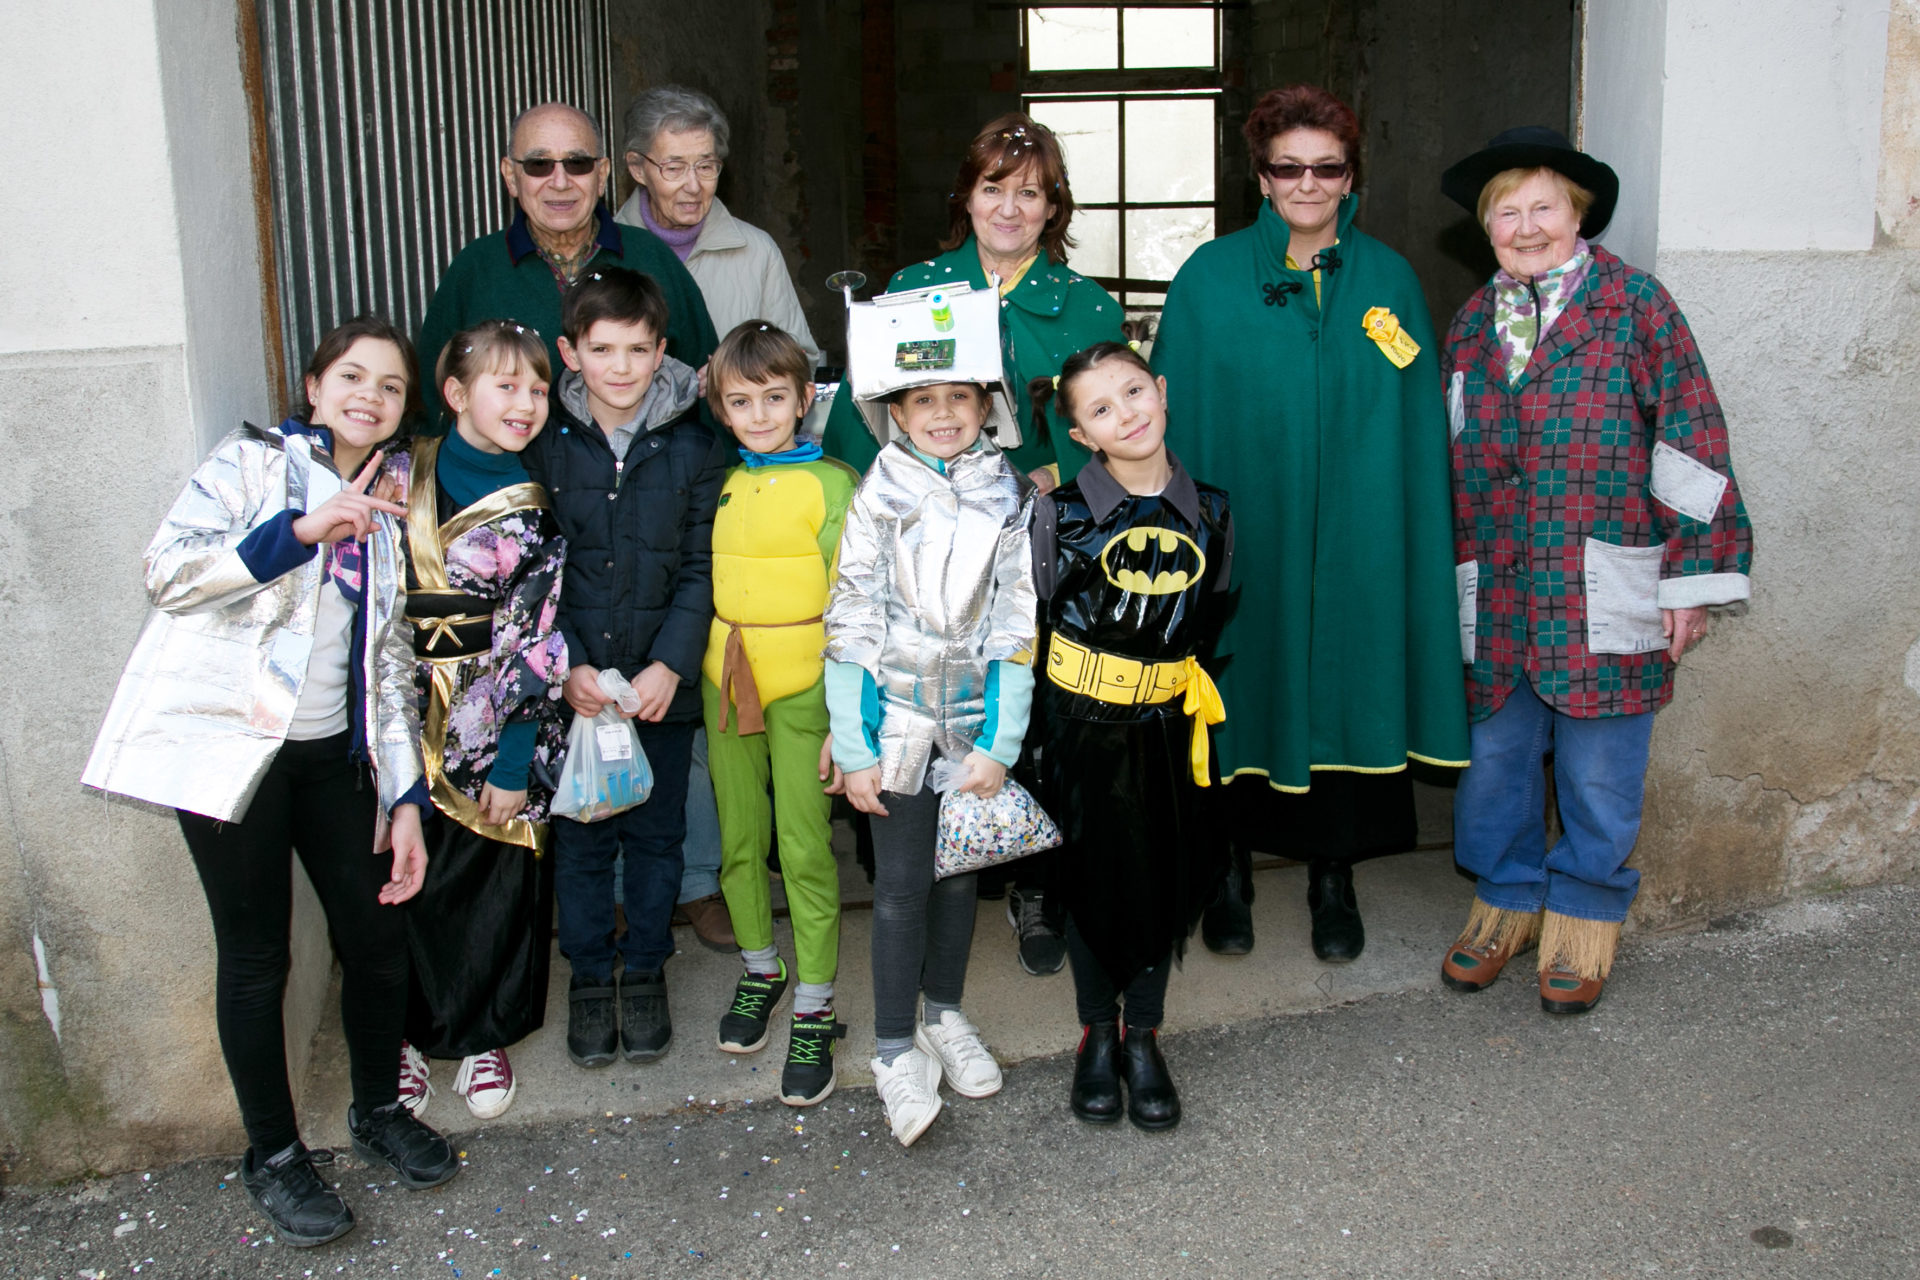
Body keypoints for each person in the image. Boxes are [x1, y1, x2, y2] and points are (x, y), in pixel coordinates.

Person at [83, 317, 458, 1247]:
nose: (370, 396)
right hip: (232, 758)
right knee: (257, 958)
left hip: (335, 758)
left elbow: (391, 663)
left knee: (377, 938)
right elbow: (168, 573)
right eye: (353, 377)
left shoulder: (392, 500)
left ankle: (378, 1110)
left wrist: (405, 798)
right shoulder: (250, 464)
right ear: (315, 385)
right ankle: (276, 1155)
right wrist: (295, 532)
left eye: (390, 386)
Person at [1436, 127, 1753, 1012]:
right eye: (1507, 212)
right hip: (1499, 582)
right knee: (1494, 762)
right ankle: (1504, 901)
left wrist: (1692, 579)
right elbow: (1447, 458)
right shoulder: (1471, 324)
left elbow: (1691, 439)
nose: (1526, 227)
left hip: (1602, 580)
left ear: (1578, 217)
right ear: (1487, 227)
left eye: (1544, 207)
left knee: (1599, 767)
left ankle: (1583, 915)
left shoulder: (1636, 305)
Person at [1151, 85, 1469, 963]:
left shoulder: (1389, 279)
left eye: (1326, 168)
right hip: (1247, 532)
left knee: (1344, 684)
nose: (1307, 183)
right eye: (1287, 167)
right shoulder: (1210, 278)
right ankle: (1227, 870)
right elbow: (1168, 413)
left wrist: (1403, 532)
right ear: (1261, 176)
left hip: (1358, 538)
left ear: (1350, 176)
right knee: (1237, 686)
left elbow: (1413, 420)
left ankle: (1335, 874)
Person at [822, 111, 1124, 976]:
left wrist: (1052, 476)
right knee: (921, 700)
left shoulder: (1087, 305)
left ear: (1053, 206)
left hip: (1042, 543)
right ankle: (914, 873)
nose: (1010, 207)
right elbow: (864, 423)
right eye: (995, 188)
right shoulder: (916, 288)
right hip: (922, 552)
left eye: (1031, 192)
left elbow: (1110, 432)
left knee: (1030, 705)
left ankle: (1033, 884)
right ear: (967, 196)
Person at [823, 379, 1038, 1147]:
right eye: (922, 401)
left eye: (958, 398)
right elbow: (850, 620)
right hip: (899, 726)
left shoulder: (1010, 495)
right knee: (901, 888)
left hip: (974, 726)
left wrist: (1000, 746)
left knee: (961, 876)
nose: (942, 414)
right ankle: (893, 1049)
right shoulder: (876, 493)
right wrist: (854, 746)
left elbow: (1017, 624)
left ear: (986, 407)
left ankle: (943, 1013)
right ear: (896, 414)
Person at [1026, 342, 1233, 1132]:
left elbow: (1211, 615)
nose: (1127, 414)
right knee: (1090, 878)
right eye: (1101, 409)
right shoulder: (1058, 513)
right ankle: (1097, 1032)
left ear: (1162, 390)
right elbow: (1031, 618)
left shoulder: (1213, 510)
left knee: (1160, 875)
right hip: (1079, 730)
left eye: (1134, 391)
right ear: (1081, 434)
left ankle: (1143, 1032)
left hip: (1168, 728)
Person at [531, 266, 728, 1068]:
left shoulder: (696, 444)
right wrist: (569, 665)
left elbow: (702, 566)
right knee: (581, 839)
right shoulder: (543, 444)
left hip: (658, 691)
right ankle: (588, 973)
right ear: (570, 352)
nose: (621, 366)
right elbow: (534, 569)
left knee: (656, 834)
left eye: (638, 350)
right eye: (603, 348)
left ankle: (645, 965)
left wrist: (671, 666)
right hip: (577, 689)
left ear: (662, 351)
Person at [394, 319, 569, 1122]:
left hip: (494, 722)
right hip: (397, 711)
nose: (526, 402)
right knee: (406, 882)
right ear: (456, 394)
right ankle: (406, 1033)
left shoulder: (535, 508)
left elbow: (537, 644)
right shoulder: (400, 473)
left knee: (493, 878)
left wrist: (513, 762)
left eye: (538, 388)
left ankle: (484, 1036)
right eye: (506, 386)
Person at [699, 320, 859, 1106]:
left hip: (806, 688)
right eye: (740, 401)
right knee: (739, 839)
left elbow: (857, 606)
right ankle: (762, 969)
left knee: (803, 848)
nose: (758, 415)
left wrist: (847, 719)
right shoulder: (721, 481)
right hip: (724, 679)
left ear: (803, 399)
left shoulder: (835, 485)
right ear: (721, 409)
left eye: (773, 398)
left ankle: (816, 1004)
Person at [417, 102, 719, 415]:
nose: (560, 182)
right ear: (511, 176)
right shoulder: (476, 269)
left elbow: (708, 387)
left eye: (577, 164)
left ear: (601, 175)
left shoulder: (652, 258)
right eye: (539, 164)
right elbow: (432, 400)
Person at [615, 86, 822, 368]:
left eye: (705, 166)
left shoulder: (757, 252)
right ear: (637, 168)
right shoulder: (607, 249)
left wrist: (730, 375)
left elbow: (801, 361)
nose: (693, 186)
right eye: (674, 168)